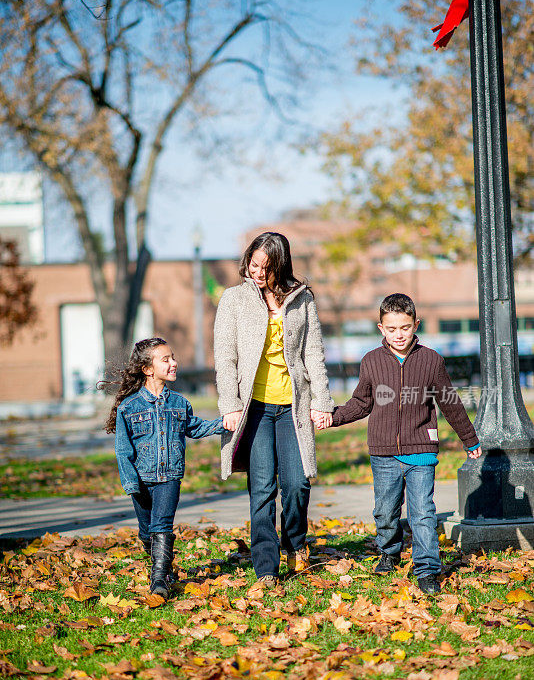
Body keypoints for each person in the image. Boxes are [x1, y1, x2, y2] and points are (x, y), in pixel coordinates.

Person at [316, 293, 481, 594]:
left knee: (422, 513)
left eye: (405, 327)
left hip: (421, 448)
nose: (399, 335)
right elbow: (361, 403)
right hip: (383, 453)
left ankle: (427, 569)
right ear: (381, 328)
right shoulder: (371, 361)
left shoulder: (431, 361)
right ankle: (389, 551)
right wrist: (333, 417)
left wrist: (469, 440)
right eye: (392, 329)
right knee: (386, 511)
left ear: (416, 324)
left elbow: (450, 403)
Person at [214, 232, 334, 587]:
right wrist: (230, 405)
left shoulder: (302, 299)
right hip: (254, 410)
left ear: (280, 266)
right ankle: (266, 567)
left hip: (292, 407)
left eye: (267, 267)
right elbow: (225, 357)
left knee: (297, 484)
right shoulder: (233, 300)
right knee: (262, 489)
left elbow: (314, 354)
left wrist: (322, 402)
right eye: (254, 264)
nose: (258, 272)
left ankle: (295, 542)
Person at [104, 338, 225, 601]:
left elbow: (194, 427)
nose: (174, 363)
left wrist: (223, 424)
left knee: (162, 526)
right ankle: (164, 567)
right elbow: (123, 451)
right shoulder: (129, 407)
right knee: (147, 531)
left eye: (173, 358)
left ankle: (159, 581)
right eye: (166, 359)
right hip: (141, 479)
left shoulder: (180, 403)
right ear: (148, 369)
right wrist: (131, 484)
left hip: (170, 476)